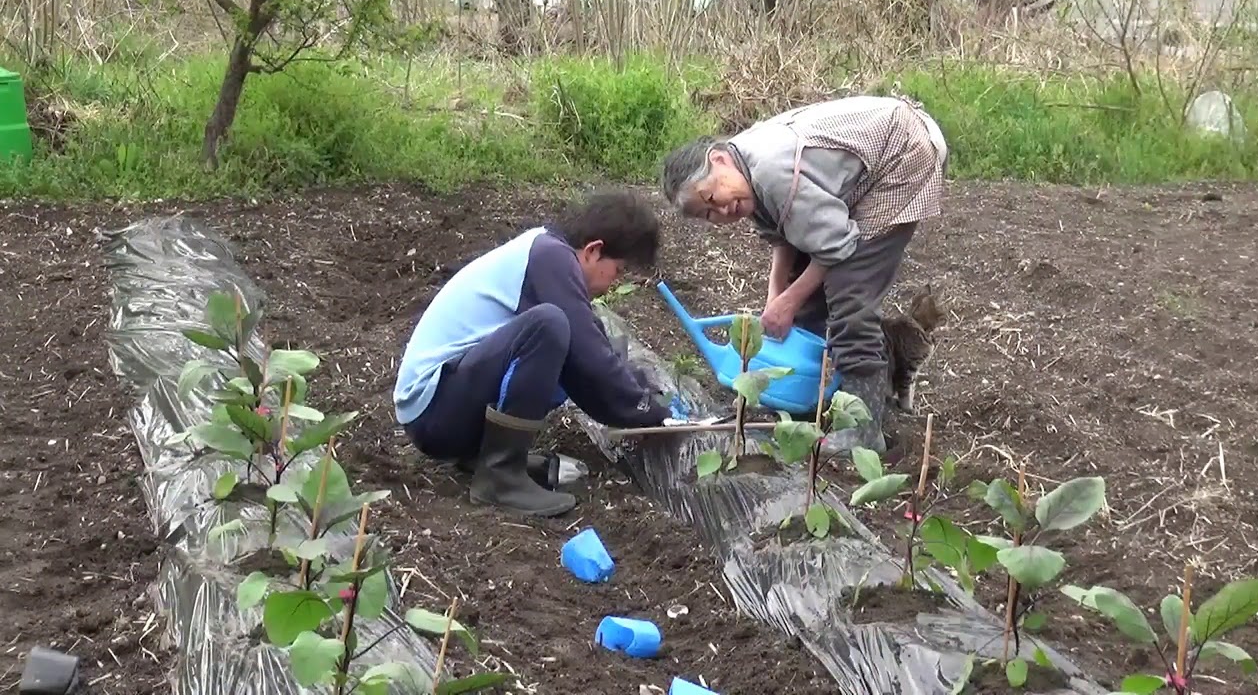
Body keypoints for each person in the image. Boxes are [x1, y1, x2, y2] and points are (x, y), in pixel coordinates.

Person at [659, 94, 948, 456]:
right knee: (805, 287)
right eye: (708, 214)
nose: (721, 210)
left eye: (711, 196)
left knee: (850, 291)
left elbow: (835, 247)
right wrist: (777, 294)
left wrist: (790, 300)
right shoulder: (742, 171)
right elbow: (785, 236)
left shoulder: (769, 171)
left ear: (718, 160)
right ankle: (816, 394)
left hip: (903, 154)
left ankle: (863, 429)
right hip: (877, 156)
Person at [393, 189, 675, 517]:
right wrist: (643, 410)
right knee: (550, 326)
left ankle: (488, 456)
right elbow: (587, 352)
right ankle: (500, 477)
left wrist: (640, 398)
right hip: (433, 411)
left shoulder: (548, 255)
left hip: (446, 405)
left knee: (564, 335)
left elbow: (592, 354)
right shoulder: (549, 257)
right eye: (619, 271)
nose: (614, 283)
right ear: (594, 250)